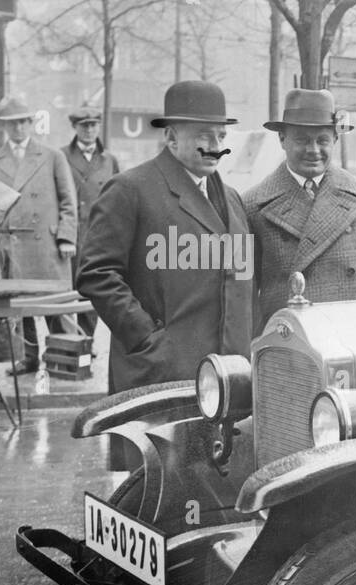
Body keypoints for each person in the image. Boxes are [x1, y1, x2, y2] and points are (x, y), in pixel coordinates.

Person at [76, 80, 252, 399]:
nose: (216, 146)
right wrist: (148, 340)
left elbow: (242, 281)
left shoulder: (233, 200)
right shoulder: (130, 190)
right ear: (171, 137)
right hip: (161, 375)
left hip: (227, 376)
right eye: (204, 135)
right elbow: (95, 273)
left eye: (221, 136)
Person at [245, 89, 356, 333]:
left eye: (322, 140)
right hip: (290, 340)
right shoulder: (251, 204)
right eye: (301, 140)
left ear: (335, 139)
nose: (313, 150)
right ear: (282, 139)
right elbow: (243, 292)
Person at [0, 96, 78, 376]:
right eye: (12, 123)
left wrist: (67, 237)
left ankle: (66, 358)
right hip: (12, 246)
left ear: (31, 123)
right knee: (21, 306)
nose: (18, 128)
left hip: (49, 246)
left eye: (23, 121)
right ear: (3, 126)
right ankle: (28, 358)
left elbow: (68, 201)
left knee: (58, 306)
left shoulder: (53, 156)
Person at [62, 104, 121, 342]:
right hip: (70, 235)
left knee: (93, 289)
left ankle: (85, 342)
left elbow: (118, 196)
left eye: (93, 125)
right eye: (84, 126)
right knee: (66, 291)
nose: (89, 131)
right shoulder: (61, 156)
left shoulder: (109, 160)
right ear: (75, 127)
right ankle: (67, 343)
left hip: (98, 234)